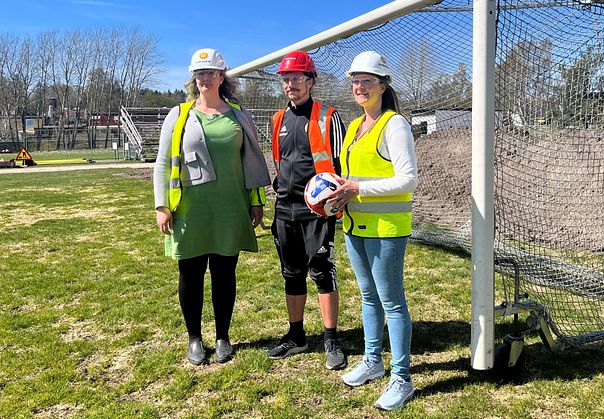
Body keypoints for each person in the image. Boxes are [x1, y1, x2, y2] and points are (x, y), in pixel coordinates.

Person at [153, 48, 270, 365]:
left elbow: (252, 163)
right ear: (194, 78)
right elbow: (163, 163)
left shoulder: (238, 114)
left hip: (230, 208)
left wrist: (257, 201)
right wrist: (162, 205)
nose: (205, 78)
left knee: (224, 274)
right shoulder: (178, 116)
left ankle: (222, 337)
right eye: (199, 73)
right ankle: (194, 338)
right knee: (189, 275)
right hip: (190, 210)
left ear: (222, 76)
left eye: (211, 72)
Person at [326, 51, 418, 410]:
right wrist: (337, 189)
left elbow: (408, 179)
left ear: (382, 85)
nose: (359, 86)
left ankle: (402, 378)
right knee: (368, 297)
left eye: (367, 80)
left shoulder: (394, 124)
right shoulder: (353, 126)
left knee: (392, 302)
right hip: (355, 225)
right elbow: (355, 175)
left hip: (386, 227)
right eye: (355, 80)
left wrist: (357, 189)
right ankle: (373, 361)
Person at [267, 50, 348, 370]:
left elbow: (343, 164)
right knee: (292, 274)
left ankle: (331, 338)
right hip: (285, 210)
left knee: (322, 272)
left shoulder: (329, 116)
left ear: (311, 81)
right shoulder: (277, 119)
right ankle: (297, 336)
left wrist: (335, 200)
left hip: (317, 212)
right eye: (286, 79)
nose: (291, 85)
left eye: (298, 78)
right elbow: (279, 161)